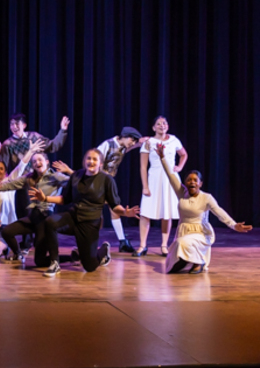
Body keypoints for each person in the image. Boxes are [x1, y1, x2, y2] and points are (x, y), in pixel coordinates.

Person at [30, 149, 140, 276]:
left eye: (94, 159)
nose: (91, 161)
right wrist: (45, 198)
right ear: (84, 161)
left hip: (89, 223)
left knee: (89, 266)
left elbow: (114, 205)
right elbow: (65, 199)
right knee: (50, 222)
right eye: (88, 158)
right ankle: (54, 263)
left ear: (100, 163)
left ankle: (103, 251)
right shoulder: (76, 176)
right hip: (73, 217)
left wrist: (125, 213)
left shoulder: (106, 180)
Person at [151, 144, 252, 273]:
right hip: (184, 230)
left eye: (195, 180)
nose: (192, 182)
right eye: (189, 180)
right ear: (185, 183)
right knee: (171, 264)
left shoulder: (206, 198)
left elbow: (219, 212)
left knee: (182, 243)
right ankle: (190, 261)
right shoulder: (182, 192)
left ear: (200, 183)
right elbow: (171, 175)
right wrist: (162, 158)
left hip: (200, 233)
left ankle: (199, 261)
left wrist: (233, 225)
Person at [0, 152, 70, 266]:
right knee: (7, 232)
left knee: (39, 261)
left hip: (44, 218)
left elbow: (74, 182)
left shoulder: (55, 176)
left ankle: (73, 256)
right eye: (34, 161)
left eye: (40, 160)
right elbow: (10, 184)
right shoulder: (29, 177)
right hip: (32, 217)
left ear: (47, 162)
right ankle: (18, 254)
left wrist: (69, 171)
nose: (37, 163)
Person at [135, 116, 188, 257]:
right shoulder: (148, 142)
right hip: (154, 179)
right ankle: (142, 245)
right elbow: (143, 166)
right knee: (145, 214)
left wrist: (179, 167)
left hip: (170, 179)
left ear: (168, 126)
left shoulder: (174, 140)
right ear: (153, 128)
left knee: (167, 213)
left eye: (164, 123)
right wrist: (145, 186)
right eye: (158, 124)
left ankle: (164, 245)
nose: (161, 125)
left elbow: (183, 154)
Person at [94, 127, 146, 252]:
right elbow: (94, 158)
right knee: (97, 215)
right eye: (132, 141)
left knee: (115, 210)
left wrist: (140, 143)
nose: (132, 143)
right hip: (98, 182)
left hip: (109, 182)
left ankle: (123, 242)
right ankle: (92, 243)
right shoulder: (108, 144)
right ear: (127, 137)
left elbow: (127, 149)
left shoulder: (122, 146)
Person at [0, 113, 70, 173]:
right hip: (25, 182)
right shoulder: (7, 144)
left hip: (43, 178)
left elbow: (53, 146)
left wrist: (63, 130)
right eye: (12, 124)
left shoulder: (35, 137)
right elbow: (3, 166)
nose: (14, 126)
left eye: (17, 124)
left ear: (24, 125)